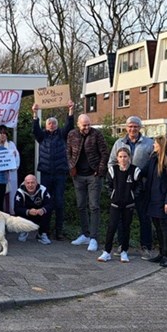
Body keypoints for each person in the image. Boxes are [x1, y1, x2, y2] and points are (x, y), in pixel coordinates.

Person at [108, 116, 155, 259]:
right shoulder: (119, 143)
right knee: (122, 219)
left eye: (135, 126)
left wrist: (143, 180)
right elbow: (111, 162)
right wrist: (115, 183)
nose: (132, 129)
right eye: (130, 126)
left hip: (141, 188)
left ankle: (145, 247)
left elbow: (153, 165)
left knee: (144, 218)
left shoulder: (149, 143)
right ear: (126, 128)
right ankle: (122, 245)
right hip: (123, 190)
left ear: (140, 128)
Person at [32, 100, 74, 240]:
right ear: (46, 125)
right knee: (46, 202)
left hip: (60, 174)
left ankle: (59, 231)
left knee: (59, 202)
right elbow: (35, 129)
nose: (51, 125)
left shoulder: (62, 135)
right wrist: (35, 113)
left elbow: (69, 126)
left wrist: (70, 111)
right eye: (49, 123)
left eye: (54, 123)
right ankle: (44, 230)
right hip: (45, 174)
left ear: (57, 125)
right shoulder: (42, 136)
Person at [67, 114, 109, 252]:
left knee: (94, 206)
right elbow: (68, 152)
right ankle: (85, 234)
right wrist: (71, 167)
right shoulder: (72, 134)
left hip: (93, 175)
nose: (87, 127)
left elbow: (104, 153)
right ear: (78, 124)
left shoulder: (97, 134)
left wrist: (100, 170)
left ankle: (94, 238)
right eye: (84, 125)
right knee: (80, 206)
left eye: (88, 124)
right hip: (78, 176)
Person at [97, 147, 141, 263]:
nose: (123, 159)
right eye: (120, 157)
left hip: (128, 205)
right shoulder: (112, 170)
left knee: (126, 228)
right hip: (115, 205)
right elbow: (107, 185)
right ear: (117, 158)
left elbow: (139, 186)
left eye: (125, 156)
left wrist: (132, 196)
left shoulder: (135, 171)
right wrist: (113, 195)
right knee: (111, 227)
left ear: (129, 157)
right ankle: (107, 252)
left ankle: (124, 251)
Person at [142, 135, 167, 268]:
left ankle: (165, 256)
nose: (153, 145)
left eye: (155, 144)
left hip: (162, 199)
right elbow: (144, 172)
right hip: (152, 198)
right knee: (157, 226)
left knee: (163, 227)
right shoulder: (153, 158)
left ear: (162, 145)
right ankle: (160, 253)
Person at [14, 174, 54, 244]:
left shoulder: (43, 190)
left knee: (47, 211)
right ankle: (24, 230)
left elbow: (50, 204)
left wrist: (42, 210)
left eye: (32, 182)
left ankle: (42, 233)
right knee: (20, 212)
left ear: (36, 183)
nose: (30, 185)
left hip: (39, 214)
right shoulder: (20, 192)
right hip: (27, 215)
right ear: (25, 183)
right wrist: (28, 211)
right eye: (28, 183)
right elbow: (16, 208)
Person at [0, 125, 20, 214]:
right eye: (1, 133)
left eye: (4, 133)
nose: (3, 135)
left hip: (10, 173)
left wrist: (13, 157)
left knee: (11, 194)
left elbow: (17, 159)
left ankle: (11, 213)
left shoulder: (11, 145)